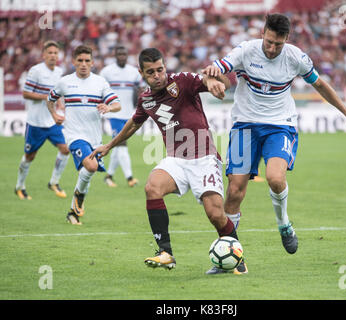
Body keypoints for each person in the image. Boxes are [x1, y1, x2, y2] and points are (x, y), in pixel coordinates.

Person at [203, 13, 346, 267]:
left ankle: (284, 224)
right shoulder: (246, 51)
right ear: (263, 33)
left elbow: (320, 85)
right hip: (245, 126)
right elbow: (218, 69)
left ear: (286, 39)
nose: (271, 48)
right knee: (234, 191)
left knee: (276, 179)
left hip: (280, 126)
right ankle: (232, 254)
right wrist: (212, 77)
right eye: (268, 41)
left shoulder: (295, 57)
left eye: (278, 44)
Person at [90, 48, 245, 273]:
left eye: (160, 69)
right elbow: (134, 123)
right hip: (176, 160)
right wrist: (109, 145)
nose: (157, 75)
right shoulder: (146, 99)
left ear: (165, 67)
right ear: (142, 73)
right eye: (151, 72)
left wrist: (216, 80)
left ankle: (237, 258)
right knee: (152, 187)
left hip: (204, 158)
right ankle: (165, 252)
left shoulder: (182, 81)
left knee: (215, 215)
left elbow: (216, 82)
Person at [47, 45, 121, 225]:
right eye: (79, 60)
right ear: (73, 62)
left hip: (94, 138)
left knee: (87, 172)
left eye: (87, 61)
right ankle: (78, 198)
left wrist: (108, 107)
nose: (83, 64)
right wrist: (55, 114)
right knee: (91, 166)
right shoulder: (64, 82)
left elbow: (117, 104)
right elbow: (50, 100)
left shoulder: (100, 82)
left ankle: (73, 211)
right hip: (74, 135)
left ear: (93, 63)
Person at [15, 40, 70, 200]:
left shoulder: (59, 71)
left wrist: (59, 102)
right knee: (30, 156)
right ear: (44, 55)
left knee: (65, 149)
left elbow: (57, 93)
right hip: (36, 123)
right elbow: (26, 93)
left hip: (52, 122)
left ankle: (54, 182)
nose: (53, 55)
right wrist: (47, 97)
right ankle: (20, 186)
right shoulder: (36, 71)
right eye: (50, 53)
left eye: (55, 53)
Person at [99, 45, 144, 188]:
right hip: (114, 113)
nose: (122, 56)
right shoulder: (107, 72)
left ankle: (109, 176)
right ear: (115, 55)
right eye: (119, 54)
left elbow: (141, 88)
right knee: (121, 143)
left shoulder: (133, 72)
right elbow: (99, 88)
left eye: (124, 54)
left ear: (127, 54)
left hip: (129, 113)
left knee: (117, 145)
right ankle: (130, 178)